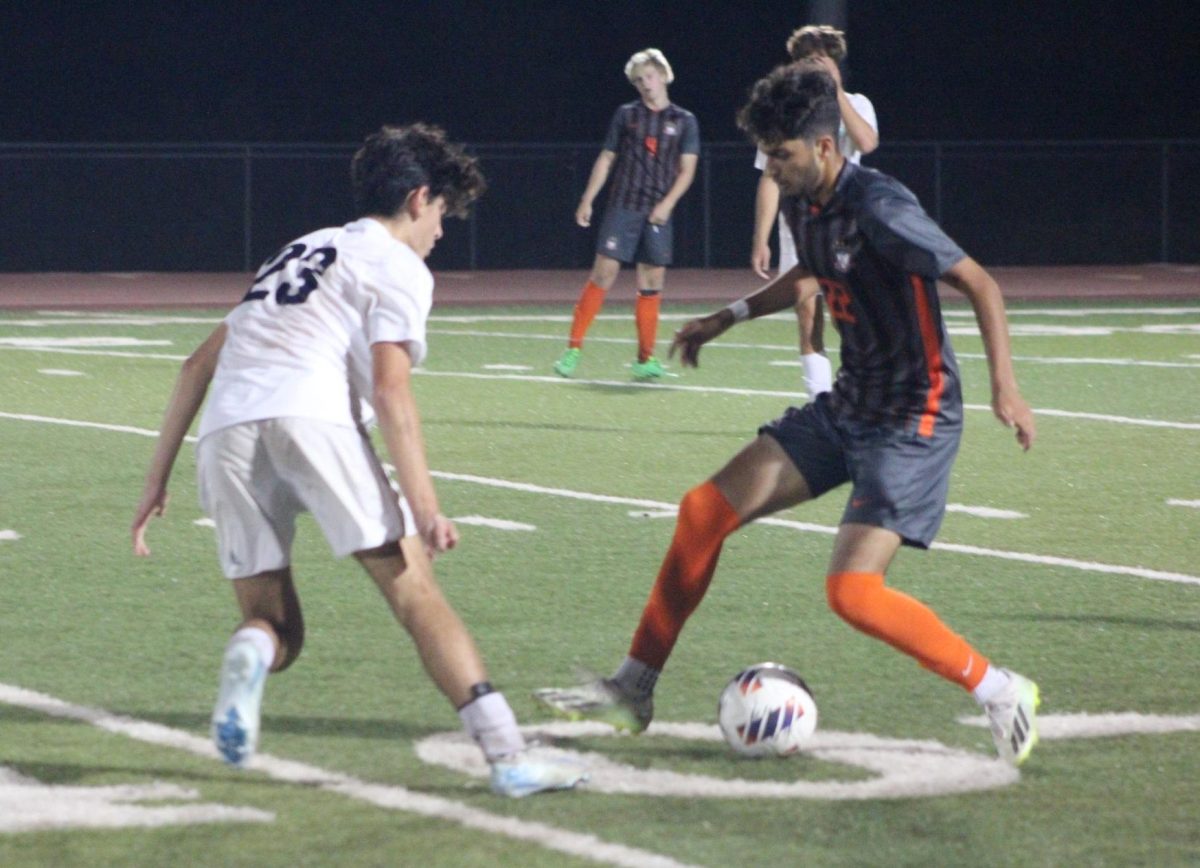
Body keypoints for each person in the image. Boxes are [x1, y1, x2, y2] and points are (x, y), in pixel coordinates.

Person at [536, 67, 1042, 766]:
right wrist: (729, 315)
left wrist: (1005, 389)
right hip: (849, 403)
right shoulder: (807, 202)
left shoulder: (882, 207)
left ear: (826, 149)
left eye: (782, 156)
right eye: (767, 155)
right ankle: (634, 689)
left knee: (853, 593)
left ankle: (1000, 688)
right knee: (702, 512)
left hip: (911, 418)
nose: (770, 169)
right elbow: (813, 272)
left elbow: (978, 282)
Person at [131, 124, 586, 798]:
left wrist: (155, 481)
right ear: (417, 197)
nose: (441, 229)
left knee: (277, 629)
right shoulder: (398, 264)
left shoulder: (303, 246)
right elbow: (391, 387)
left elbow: (196, 364)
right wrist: (426, 507)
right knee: (416, 593)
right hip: (312, 417)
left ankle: (247, 655)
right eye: (440, 213)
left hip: (226, 431)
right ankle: (507, 757)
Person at [553, 48, 700, 381]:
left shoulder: (684, 120)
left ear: (663, 75)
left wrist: (667, 205)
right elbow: (606, 159)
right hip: (624, 206)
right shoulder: (626, 115)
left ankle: (645, 359)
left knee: (651, 282)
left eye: (649, 76)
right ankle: (572, 350)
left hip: (658, 212)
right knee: (603, 274)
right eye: (638, 80)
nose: (645, 84)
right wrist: (588, 198)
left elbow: (687, 171)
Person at [750, 25, 878, 400]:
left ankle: (865, 389)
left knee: (851, 317)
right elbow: (771, 178)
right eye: (807, 63)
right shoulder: (784, 113)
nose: (814, 71)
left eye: (822, 63)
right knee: (806, 309)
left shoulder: (857, 102)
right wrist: (761, 237)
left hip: (848, 221)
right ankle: (819, 401)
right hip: (802, 223)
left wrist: (836, 92)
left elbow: (867, 141)